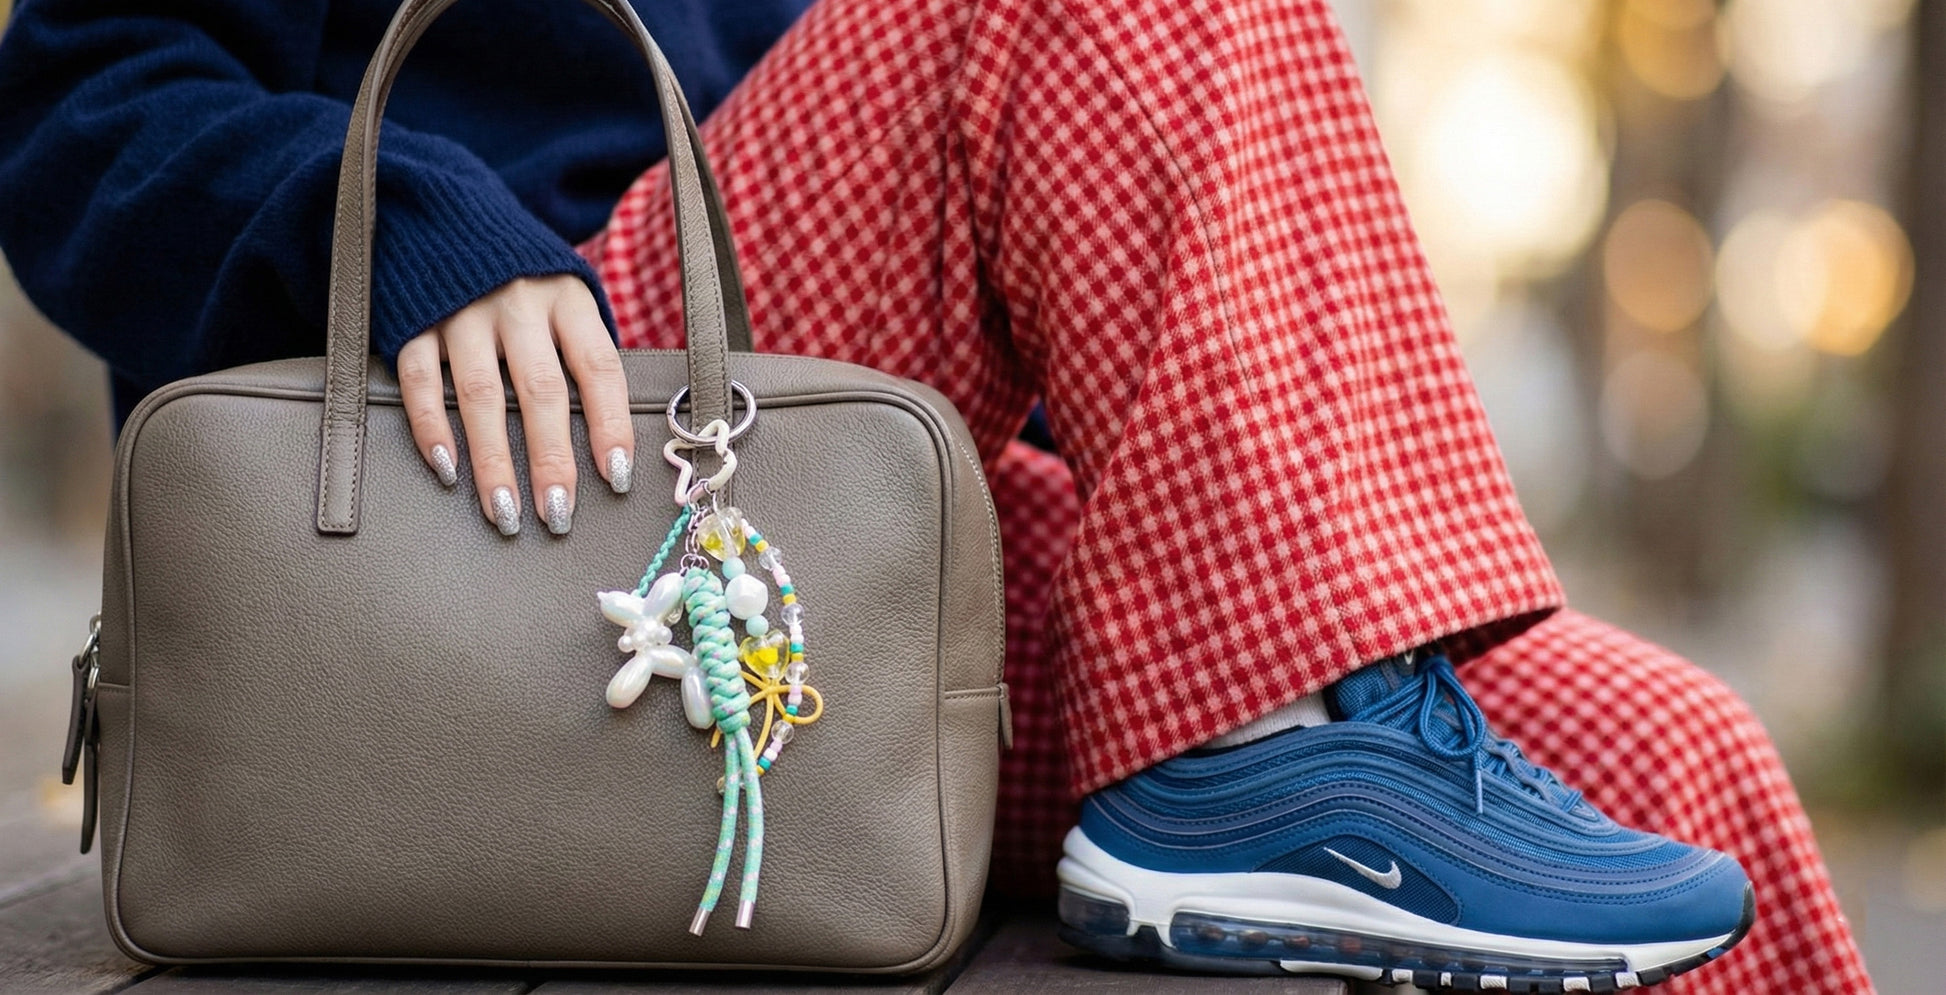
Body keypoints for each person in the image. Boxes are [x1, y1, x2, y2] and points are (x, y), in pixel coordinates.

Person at [0, 0, 1872, 989]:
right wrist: (405, 219)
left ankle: (1305, 730)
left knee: (1667, 754)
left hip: (839, 492)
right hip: (506, 458)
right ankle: (1259, 765)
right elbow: (74, 100)